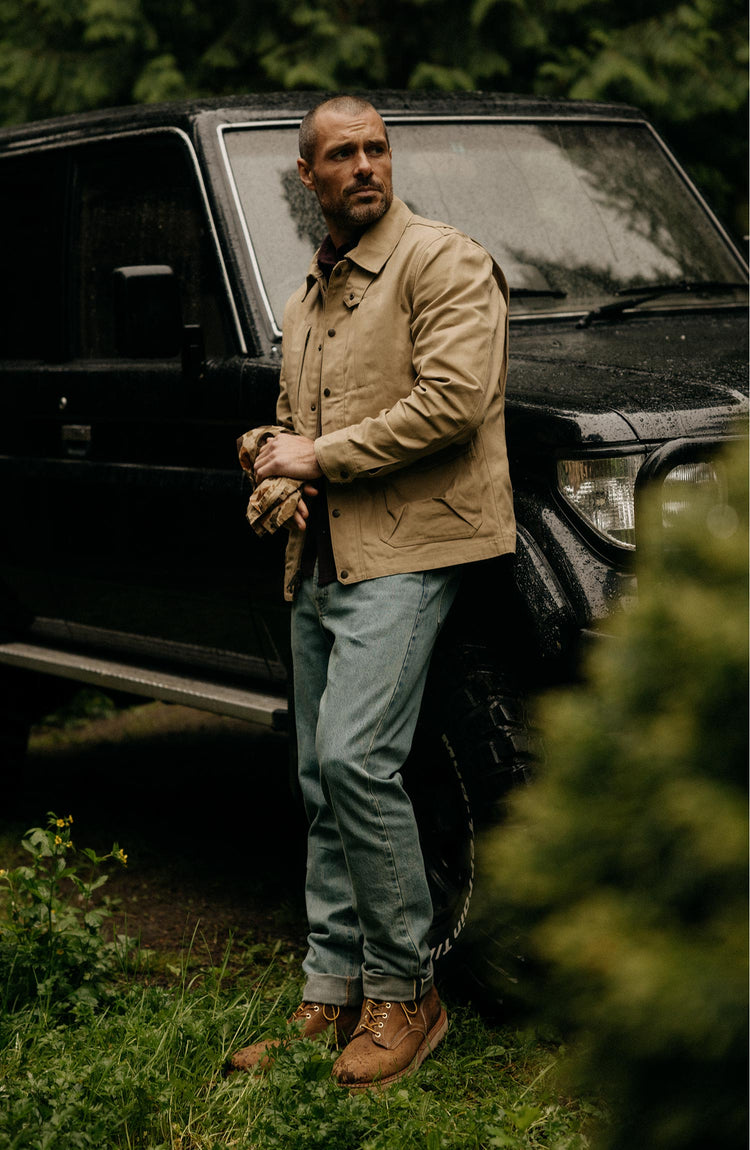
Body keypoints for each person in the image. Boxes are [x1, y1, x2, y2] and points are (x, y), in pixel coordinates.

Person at [229, 95, 516, 1090]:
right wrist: (269, 458)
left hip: (413, 546)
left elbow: (452, 403)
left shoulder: (442, 260)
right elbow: (292, 419)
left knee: (356, 758)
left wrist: (316, 455)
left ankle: (407, 995)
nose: (363, 166)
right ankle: (328, 995)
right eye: (341, 154)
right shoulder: (308, 297)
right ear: (306, 178)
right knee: (317, 777)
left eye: (376, 149)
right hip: (323, 559)